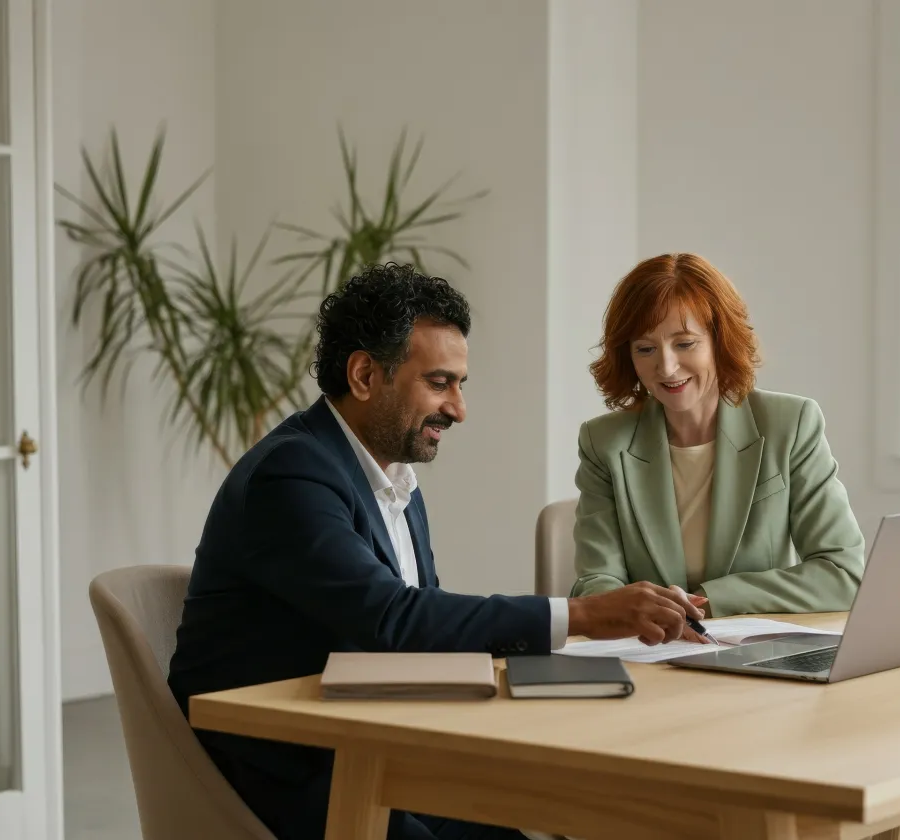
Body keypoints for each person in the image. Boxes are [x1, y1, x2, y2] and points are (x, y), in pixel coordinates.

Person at [166, 263, 705, 840]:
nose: (458, 408)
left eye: (460, 384)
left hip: (369, 741)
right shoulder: (293, 473)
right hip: (289, 766)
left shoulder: (391, 478)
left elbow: (423, 625)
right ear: (365, 375)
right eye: (440, 382)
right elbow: (392, 619)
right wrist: (583, 615)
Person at [570, 253, 864, 625]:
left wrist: (709, 602)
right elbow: (596, 584)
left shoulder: (789, 425)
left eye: (685, 343)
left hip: (759, 649)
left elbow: (843, 574)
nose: (666, 367)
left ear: (719, 342)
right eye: (645, 349)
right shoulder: (603, 442)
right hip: (648, 648)